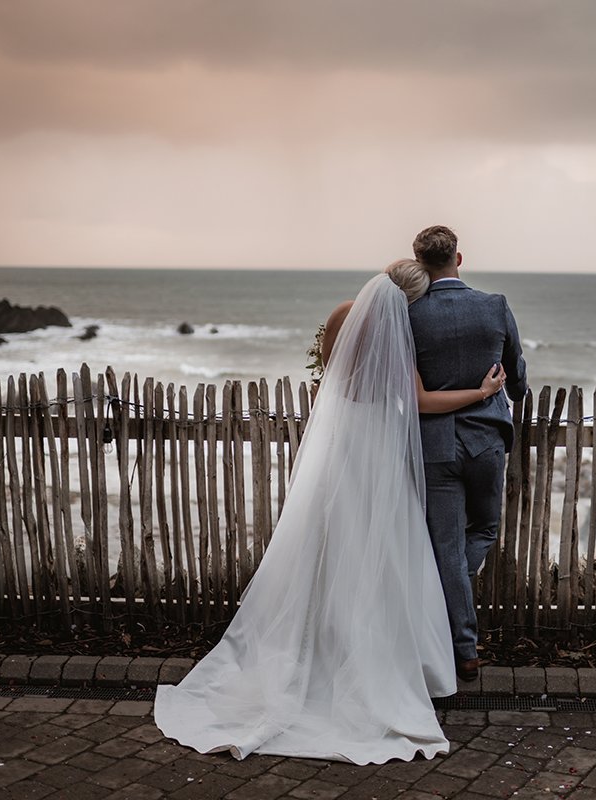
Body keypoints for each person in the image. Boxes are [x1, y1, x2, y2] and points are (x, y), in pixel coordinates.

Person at [154, 260, 506, 764]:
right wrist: (483, 392)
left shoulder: (343, 314)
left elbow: (330, 375)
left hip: (340, 442)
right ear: (412, 299)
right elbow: (421, 400)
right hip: (378, 448)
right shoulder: (400, 332)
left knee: (327, 539)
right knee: (378, 549)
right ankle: (367, 658)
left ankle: (314, 644)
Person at [408, 226, 527, 682]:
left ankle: (463, 649)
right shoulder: (494, 305)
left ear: (420, 262)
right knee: (487, 529)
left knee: (447, 549)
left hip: (434, 444)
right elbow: (514, 366)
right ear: (459, 258)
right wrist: (514, 394)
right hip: (485, 439)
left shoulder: (411, 313)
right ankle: (459, 613)